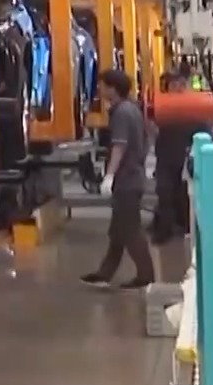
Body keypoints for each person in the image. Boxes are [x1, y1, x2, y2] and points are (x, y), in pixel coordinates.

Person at [83, 68, 155, 290]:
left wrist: (110, 175)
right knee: (117, 231)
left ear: (113, 88)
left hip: (126, 180)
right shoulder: (132, 108)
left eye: (102, 85)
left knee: (130, 230)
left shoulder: (122, 113)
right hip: (133, 176)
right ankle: (104, 273)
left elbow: (119, 146)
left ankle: (146, 275)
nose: (99, 89)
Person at [149, 73, 202, 245]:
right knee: (164, 192)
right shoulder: (163, 107)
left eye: (181, 85)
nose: (177, 89)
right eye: (173, 85)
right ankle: (164, 230)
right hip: (165, 157)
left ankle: (186, 227)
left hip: (186, 158)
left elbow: (204, 130)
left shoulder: (194, 107)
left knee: (184, 195)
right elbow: (152, 127)